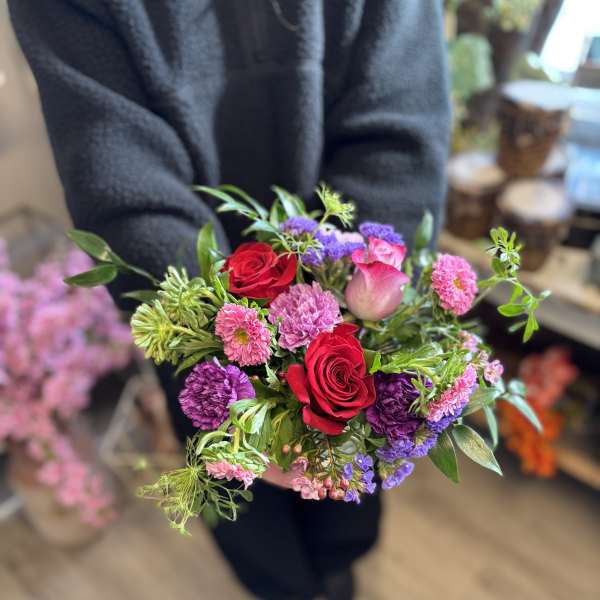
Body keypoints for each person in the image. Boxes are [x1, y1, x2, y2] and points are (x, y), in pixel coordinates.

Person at [9, 1, 450, 598]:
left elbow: (398, 131)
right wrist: (233, 351)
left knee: (346, 490)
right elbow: (117, 172)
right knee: (241, 501)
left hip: (354, 323)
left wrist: (354, 298)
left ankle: (338, 565)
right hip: (199, 328)